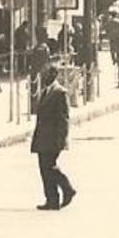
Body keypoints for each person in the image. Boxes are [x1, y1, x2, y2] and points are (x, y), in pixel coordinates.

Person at [31, 64, 76, 211]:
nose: (43, 77)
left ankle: (67, 188)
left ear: (53, 75)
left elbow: (63, 119)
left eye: (46, 75)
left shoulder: (59, 93)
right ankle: (52, 200)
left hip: (52, 139)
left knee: (49, 167)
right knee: (44, 169)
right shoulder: (46, 92)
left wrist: (61, 139)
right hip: (43, 138)